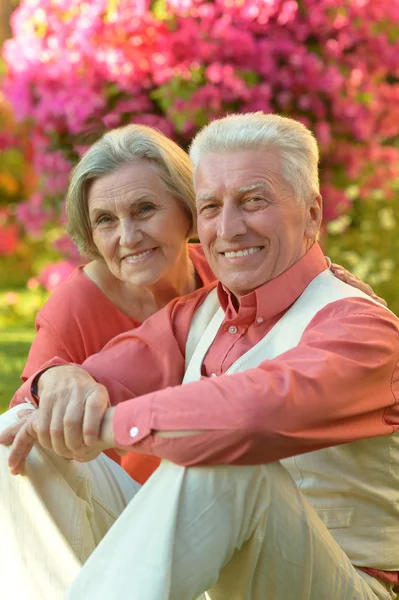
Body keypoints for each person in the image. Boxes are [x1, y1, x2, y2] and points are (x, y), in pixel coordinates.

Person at [2, 112, 398, 600]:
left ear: (313, 214)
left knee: (228, 459)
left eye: (254, 202)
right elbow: (59, 388)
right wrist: (59, 379)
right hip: (215, 574)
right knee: (23, 430)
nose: (229, 229)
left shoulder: (360, 328)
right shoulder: (200, 313)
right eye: (211, 206)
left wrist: (106, 425)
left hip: (345, 582)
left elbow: (252, 416)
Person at [13, 122, 216, 483]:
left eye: (145, 209)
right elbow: (22, 419)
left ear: (188, 208)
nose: (129, 237)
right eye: (106, 219)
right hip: (117, 503)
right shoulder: (75, 306)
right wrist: (50, 378)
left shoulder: (224, 271)